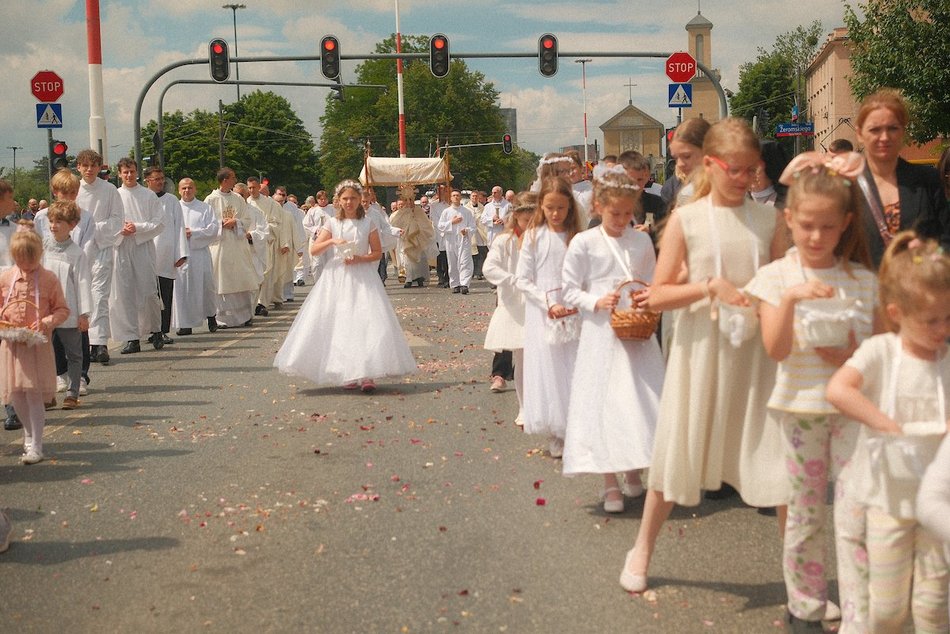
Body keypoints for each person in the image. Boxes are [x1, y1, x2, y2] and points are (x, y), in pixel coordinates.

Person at [620, 118, 789, 593]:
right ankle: (642, 548)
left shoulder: (768, 219)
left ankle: (801, 577)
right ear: (711, 166)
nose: (743, 178)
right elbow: (655, 296)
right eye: (733, 169)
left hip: (755, 352)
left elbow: (780, 279)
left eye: (750, 169)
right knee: (680, 449)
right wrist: (709, 287)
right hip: (701, 351)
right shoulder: (687, 220)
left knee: (774, 456)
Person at [745, 153, 878, 631]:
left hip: (852, 414)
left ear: (845, 224)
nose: (816, 237)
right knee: (804, 513)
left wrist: (849, 357)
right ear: (789, 221)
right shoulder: (775, 277)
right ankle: (805, 604)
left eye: (827, 226)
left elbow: (881, 355)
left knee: (856, 511)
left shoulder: (863, 282)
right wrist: (791, 299)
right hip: (799, 410)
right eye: (806, 226)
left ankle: (862, 612)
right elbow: (776, 348)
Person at [826, 232, 949, 633]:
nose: (942, 329)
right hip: (889, 504)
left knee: (933, 608)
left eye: (949, 317)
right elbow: (838, 389)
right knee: (888, 610)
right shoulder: (881, 352)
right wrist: (885, 423)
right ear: (896, 313)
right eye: (931, 320)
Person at [561, 166, 664, 513]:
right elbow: (569, 290)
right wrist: (594, 301)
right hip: (601, 332)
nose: (622, 220)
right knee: (605, 403)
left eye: (627, 213)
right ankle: (610, 483)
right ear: (599, 207)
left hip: (636, 332)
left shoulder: (641, 240)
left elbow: (650, 279)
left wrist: (644, 295)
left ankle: (633, 471)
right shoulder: (584, 242)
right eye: (615, 213)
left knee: (634, 401)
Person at [274, 179, 417, 392]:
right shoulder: (332, 223)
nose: (349, 202)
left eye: (353, 198)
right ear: (338, 201)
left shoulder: (368, 223)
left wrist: (360, 258)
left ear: (360, 200)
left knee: (365, 322)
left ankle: (367, 372)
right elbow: (315, 250)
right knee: (340, 322)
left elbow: (377, 252)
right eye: (345, 199)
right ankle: (348, 371)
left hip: (362, 277)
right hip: (337, 276)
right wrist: (332, 242)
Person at [514, 176, 583, 458]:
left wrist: (579, 300)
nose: (555, 214)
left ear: (570, 209)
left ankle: (577, 427)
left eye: (561, 208)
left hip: (574, 309)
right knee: (551, 369)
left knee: (575, 367)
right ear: (541, 206)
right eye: (550, 208)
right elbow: (523, 279)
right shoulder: (533, 237)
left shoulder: (577, 238)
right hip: (544, 312)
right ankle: (557, 430)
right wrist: (547, 303)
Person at [853, 88, 948, 268]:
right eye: (875, 129)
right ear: (859, 134)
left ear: (903, 131)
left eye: (893, 128)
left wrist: (931, 253)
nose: (884, 137)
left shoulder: (928, 180)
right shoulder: (848, 184)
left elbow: (946, 239)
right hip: (864, 289)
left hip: (918, 288)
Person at [0, 225, 69, 464]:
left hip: (37, 345)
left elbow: (62, 309)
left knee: (33, 395)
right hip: (12, 345)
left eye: (29, 260)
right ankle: (28, 433)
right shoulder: (6, 277)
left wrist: (47, 322)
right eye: (20, 260)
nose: (25, 266)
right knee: (16, 395)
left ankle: (36, 444)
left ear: (38, 256)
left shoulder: (49, 278)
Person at [482, 192, 534, 414]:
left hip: (536, 303)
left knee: (532, 357)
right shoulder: (504, 240)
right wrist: (512, 280)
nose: (532, 225)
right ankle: (501, 376)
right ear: (517, 216)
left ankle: (532, 404)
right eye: (527, 220)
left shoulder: (543, 238)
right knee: (513, 345)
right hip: (512, 303)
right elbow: (489, 268)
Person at [42, 201, 92, 411]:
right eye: (51, 221)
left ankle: (72, 392)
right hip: (45, 312)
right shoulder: (42, 247)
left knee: (74, 353)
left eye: (59, 222)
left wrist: (84, 314)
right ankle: (47, 392)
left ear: (72, 225)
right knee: (44, 353)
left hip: (69, 311)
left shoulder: (77, 253)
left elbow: (83, 283)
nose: (53, 225)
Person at [75, 149, 123, 365]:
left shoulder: (109, 189)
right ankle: (85, 344)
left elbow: (117, 219)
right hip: (77, 251)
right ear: (78, 167)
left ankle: (100, 343)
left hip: (101, 248)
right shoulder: (73, 190)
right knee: (81, 298)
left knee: (100, 296)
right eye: (85, 166)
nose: (89, 169)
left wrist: (93, 229)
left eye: (93, 165)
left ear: (99, 167)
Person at [113, 158, 165, 355]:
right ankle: (132, 337)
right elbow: (107, 223)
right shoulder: (115, 196)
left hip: (142, 246)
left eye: (132, 171)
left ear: (137, 173)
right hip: (121, 247)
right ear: (119, 174)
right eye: (125, 172)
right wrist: (120, 230)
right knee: (126, 293)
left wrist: (138, 227)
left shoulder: (148, 196)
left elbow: (159, 223)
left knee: (149, 290)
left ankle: (156, 330)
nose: (129, 175)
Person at [204, 168, 261, 328]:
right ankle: (221, 319)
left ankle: (244, 316)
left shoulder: (238, 198)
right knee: (221, 281)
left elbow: (247, 219)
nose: (235, 180)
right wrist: (221, 223)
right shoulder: (211, 199)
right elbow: (206, 223)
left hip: (237, 244)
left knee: (240, 279)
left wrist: (236, 222)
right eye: (233, 178)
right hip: (220, 245)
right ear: (224, 180)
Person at [144, 166, 188, 346]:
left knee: (165, 294)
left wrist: (181, 253)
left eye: (162, 178)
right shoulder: (143, 198)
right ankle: (149, 330)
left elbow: (179, 227)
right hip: (146, 253)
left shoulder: (171, 201)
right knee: (148, 295)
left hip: (166, 253)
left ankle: (162, 331)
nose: (161, 182)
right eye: (156, 179)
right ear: (147, 180)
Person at [173, 178, 219, 336]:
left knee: (206, 287)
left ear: (195, 189)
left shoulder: (204, 208)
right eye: (184, 188)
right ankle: (186, 324)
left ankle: (211, 316)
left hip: (200, 254)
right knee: (184, 290)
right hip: (181, 255)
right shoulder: (175, 208)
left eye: (190, 187)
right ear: (179, 190)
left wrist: (193, 233)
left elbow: (213, 230)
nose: (187, 191)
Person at [246, 177, 290, 313]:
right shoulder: (245, 203)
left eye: (254, 187)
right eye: (249, 188)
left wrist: (262, 230)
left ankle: (262, 303)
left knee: (266, 275)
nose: (252, 190)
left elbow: (277, 225)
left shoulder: (271, 204)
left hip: (266, 244)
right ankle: (251, 304)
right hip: (250, 244)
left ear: (259, 188)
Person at [660, 117, 711, 211]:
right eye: (675, 158)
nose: (679, 164)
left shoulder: (731, 189)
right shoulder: (672, 190)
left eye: (687, 156)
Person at [388, 185, 434, 288]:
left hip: (418, 239)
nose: (408, 202)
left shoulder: (418, 211)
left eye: (411, 199)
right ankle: (408, 278)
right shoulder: (398, 213)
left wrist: (416, 227)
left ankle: (419, 277)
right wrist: (401, 231)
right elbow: (393, 225)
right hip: (404, 240)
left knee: (418, 259)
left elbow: (425, 224)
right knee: (405, 259)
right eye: (406, 200)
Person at [438, 190, 476, 295]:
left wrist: (466, 230)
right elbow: (440, 226)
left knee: (465, 261)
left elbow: (473, 226)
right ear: (450, 198)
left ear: (460, 197)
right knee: (452, 261)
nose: (456, 197)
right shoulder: (446, 212)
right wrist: (451, 222)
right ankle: (455, 284)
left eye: (458, 195)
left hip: (463, 239)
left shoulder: (467, 212)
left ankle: (464, 284)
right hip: (450, 239)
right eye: (454, 195)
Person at [430, 185, 450, 288]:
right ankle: (441, 277)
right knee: (440, 256)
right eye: (440, 190)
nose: (443, 192)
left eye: (444, 190)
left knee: (449, 257)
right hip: (439, 234)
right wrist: (444, 228)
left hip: (450, 234)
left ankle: (449, 277)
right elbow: (435, 220)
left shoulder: (450, 204)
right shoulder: (433, 205)